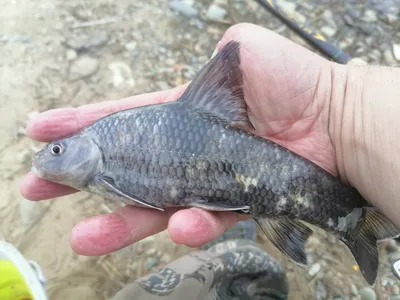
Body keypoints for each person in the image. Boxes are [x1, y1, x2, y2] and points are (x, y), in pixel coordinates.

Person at [20, 23, 400, 298]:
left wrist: (341, 104)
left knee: (263, 206)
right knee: (262, 207)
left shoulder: (103, 147)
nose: (51, 154)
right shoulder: (102, 160)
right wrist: (346, 103)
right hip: (235, 163)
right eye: (56, 150)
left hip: (224, 144)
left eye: (57, 150)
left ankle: (353, 221)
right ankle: (345, 221)